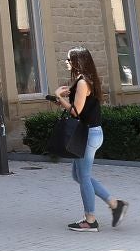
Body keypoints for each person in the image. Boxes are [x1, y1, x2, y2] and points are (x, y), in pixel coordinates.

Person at [54, 48, 127, 233]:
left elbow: (76, 111)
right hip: (91, 133)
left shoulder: (82, 83)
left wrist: (58, 97)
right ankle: (114, 204)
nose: (66, 62)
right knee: (77, 176)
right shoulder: (86, 80)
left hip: (87, 135)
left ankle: (90, 220)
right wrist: (63, 100)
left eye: (68, 59)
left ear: (77, 61)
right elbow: (82, 108)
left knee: (84, 177)